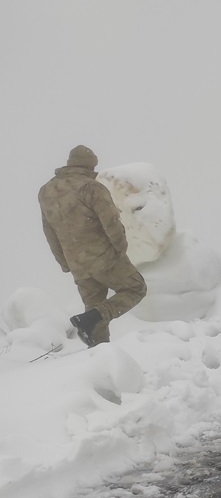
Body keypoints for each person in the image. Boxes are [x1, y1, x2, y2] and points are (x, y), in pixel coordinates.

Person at [38, 145, 147, 347]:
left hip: (77, 264)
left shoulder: (46, 192)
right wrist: (119, 249)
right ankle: (98, 317)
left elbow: (49, 232)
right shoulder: (91, 187)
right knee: (136, 288)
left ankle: (98, 353)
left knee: (92, 312)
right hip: (103, 257)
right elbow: (111, 221)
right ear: (90, 166)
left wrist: (64, 262)